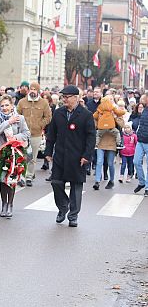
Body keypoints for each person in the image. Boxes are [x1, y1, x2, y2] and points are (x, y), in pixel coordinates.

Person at [44, 85, 96, 227]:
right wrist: (48, 152)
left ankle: (73, 216)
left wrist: (86, 156)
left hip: (77, 157)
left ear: (76, 98)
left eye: (67, 97)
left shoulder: (86, 115)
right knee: (56, 182)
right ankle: (63, 207)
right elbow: (51, 134)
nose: (64, 99)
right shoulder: (58, 113)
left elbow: (91, 137)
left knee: (76, 186)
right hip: (60, 155)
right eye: (63, 97)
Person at [0, 95, 30, 218]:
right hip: (2, 152)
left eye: (7, 105)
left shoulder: (20, 118)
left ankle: (10, 204)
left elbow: (26, 133)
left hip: (15, 152)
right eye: (2, 105)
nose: (4, 108)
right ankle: (3, 204)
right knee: (3, 179)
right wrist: (8, 121)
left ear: (12, 105)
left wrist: (16, 138)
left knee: (12, 179)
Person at [16, 82, 52, 187]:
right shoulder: (22, 102)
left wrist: (40, 125)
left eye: (34, 89)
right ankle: (21, 176)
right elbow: (17, 114)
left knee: (32, 157)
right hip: (23, 134)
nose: (32, 91)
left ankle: (29, 176)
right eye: (31, 89)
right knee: (22, 156)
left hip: (36, 134)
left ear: (38, 91)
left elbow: (48, 117)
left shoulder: (44, 103)